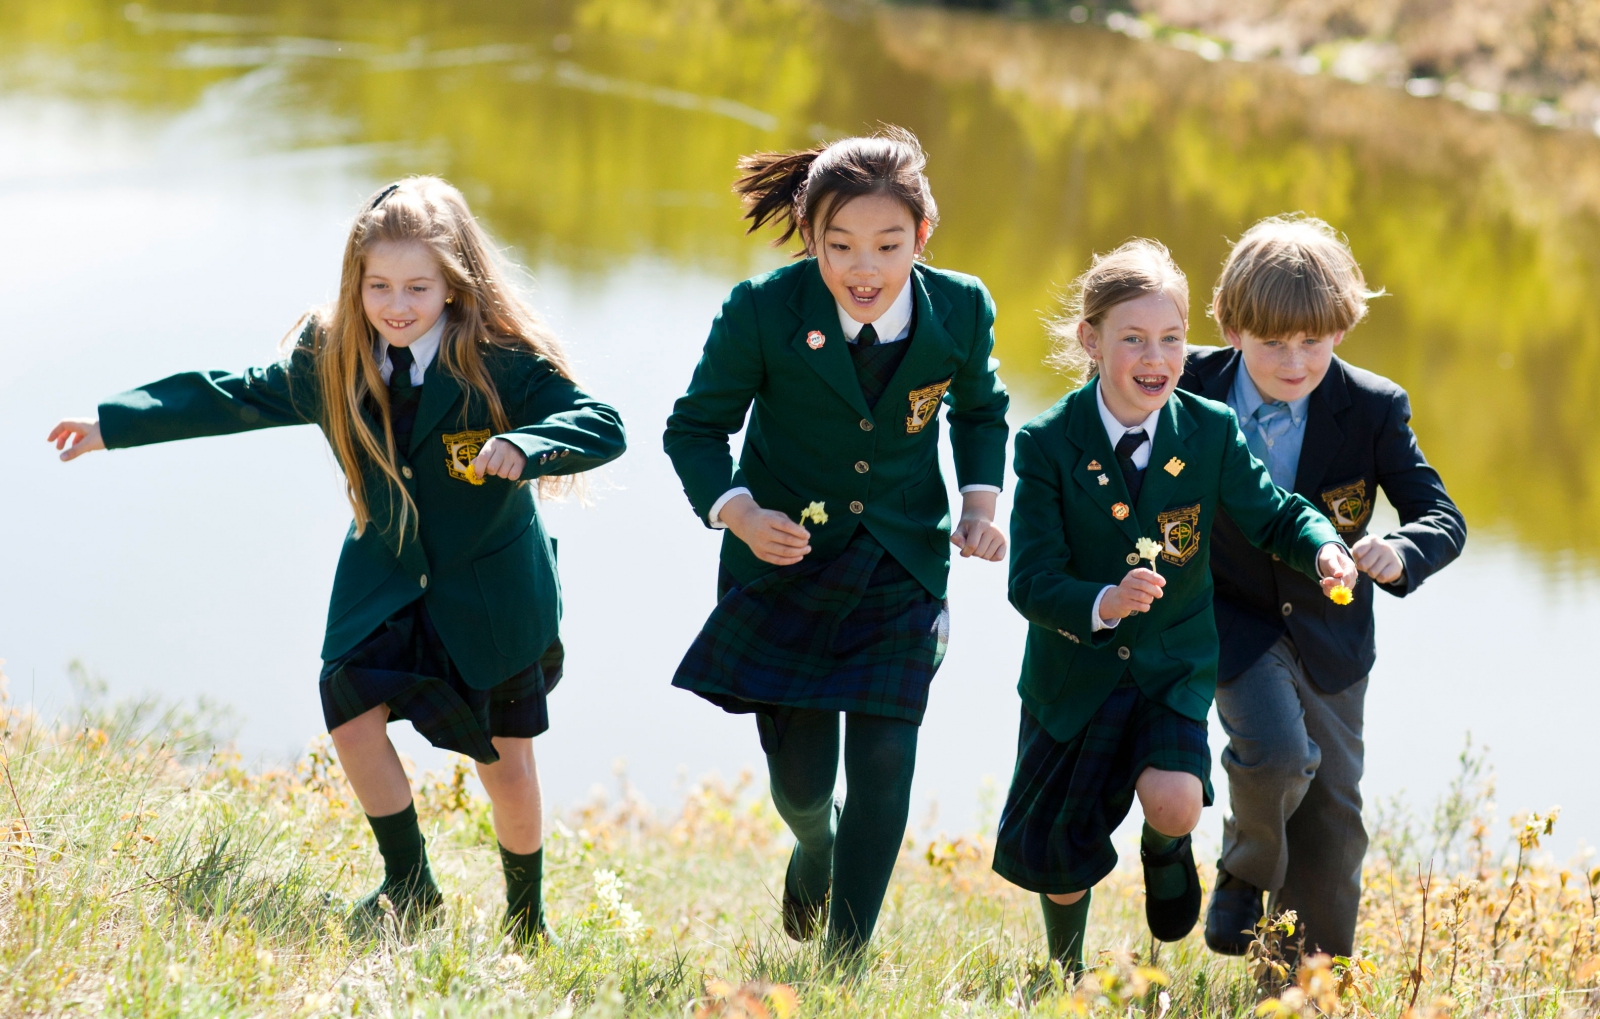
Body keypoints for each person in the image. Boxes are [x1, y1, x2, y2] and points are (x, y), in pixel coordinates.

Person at [47, 176, 627, 943]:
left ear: (454, 285)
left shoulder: (498, 362)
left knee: (507, 765)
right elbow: (236, 396)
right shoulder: (333, 354)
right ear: (355, 283)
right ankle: (410, 886)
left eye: (418, 287)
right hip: (386, 574)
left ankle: (526, 920)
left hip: (491, 590)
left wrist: (525, 443)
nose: (396, 304)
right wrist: (113, 424)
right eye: (378, 285)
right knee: (351, 718)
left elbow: (601, 421)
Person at [663, 128, 1010, 957]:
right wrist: (737, 512)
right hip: (784, 567)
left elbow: (982, 406)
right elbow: (695, 430)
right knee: (804, 784)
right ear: (810, 236)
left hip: (903, 564)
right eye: (841, 245)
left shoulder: (962, 305)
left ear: (921, 237)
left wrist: (980, 501)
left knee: (887, 757)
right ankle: (816, 847)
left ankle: (846, 959)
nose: (865, 267)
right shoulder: (761, 312)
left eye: (888, 245)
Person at [993, 239, 1357, 976]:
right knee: (1062, 863)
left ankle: (1167, 848)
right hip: (1076, 673)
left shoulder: (1209, 430)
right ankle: (1066, 971)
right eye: (1133, 339)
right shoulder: (1044, 445)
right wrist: (1102, 600)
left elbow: (1275, 513)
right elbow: (1029, 581)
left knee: (1175, 801)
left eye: (1170, 338)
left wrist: (1321, 544)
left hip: (1170, 668)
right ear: (1090, 342)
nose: (1155, 357)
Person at [1182, 215, 1465, 960]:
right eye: (1273, 342)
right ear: (1233, 326)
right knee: (1276, 754)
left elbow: (1442, 515)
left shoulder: (1372, 407)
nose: (1296, 361)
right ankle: (1242, 872)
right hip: (1226, 618)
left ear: (1341, 330)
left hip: (1331, 632)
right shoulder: (1184, 387)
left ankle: (1302, 997)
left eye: (1314, 341)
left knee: (1334, 820)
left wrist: (1402, 550)